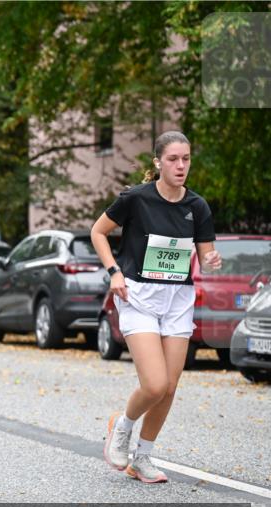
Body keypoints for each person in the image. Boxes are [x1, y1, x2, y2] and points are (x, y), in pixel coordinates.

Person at [95, 131, 221, 484]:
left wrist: (211, 260)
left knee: (169, 387)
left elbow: (205, 253)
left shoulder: (197, 206)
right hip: (138, 297)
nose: (181, 166)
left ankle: (143, 458)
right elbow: (98, 232)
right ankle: (123, 425)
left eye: (186, 159)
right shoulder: (136, 199)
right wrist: (114, 272)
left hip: (177, 300)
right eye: (173, 159)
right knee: (153, 384)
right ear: (157, 162)